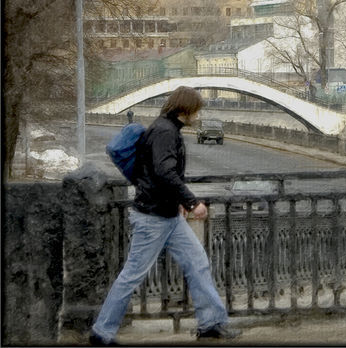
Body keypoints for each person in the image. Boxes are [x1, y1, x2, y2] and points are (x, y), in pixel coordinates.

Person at [90, 86, 240, 345]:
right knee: (132, 275)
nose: (198, 115)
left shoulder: (165, 129)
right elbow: (164, 172)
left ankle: (211, 324)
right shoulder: (165, 132)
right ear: (187, 109)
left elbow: (156, 174)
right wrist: (192, 203)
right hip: (153, 218)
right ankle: (102, 333)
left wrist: (178, 202)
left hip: (167, 215)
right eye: (197, 110)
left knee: (197, 263)